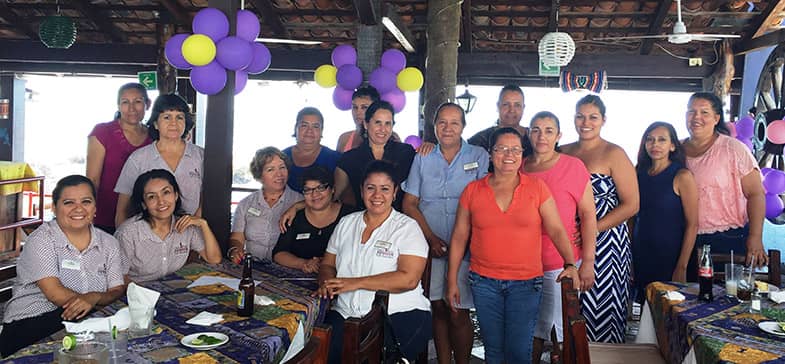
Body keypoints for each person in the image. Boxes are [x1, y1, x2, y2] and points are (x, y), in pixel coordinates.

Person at [447, 127, 580, 363]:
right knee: (494, 351)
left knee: (519, 352)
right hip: (484, 282)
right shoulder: (473, 191)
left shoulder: (537, 188)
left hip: (526, 284)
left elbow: (557, 229)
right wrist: (451, 281)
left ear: (522, 154)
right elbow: (459, 237)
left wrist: (570, 263)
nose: (509, 155)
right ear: (491, 153)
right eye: (502, 149)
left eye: (515, 149)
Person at [317, 160, 432, 364]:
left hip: (399, 313)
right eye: (371, 188)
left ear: (395, 192)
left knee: (374, 358)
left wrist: (355, 282)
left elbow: (408, 279)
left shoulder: (407, 228)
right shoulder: (347, 223)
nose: (377, 195)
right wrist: (327, 283)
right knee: (318, 349)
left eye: (385, 189)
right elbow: (327, 264)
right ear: (362, 190)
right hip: (345, 313)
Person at [0, 176, 126, 357]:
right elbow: (56, 295)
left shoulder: (109, 243)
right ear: (54, 207)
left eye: (86, 201)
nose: (78, 208)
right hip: (31, 323)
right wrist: (97, 304)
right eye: (68, 202)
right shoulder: (41, 240)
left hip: (86, 321)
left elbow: (116, 289)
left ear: (95, 208)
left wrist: (95, 297)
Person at [402, 103, 488, 364]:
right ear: (434, 126)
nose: (448, 128)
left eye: (454, 123)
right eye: (442, 122)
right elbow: (409, 203)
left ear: (463, 126)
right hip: (430, 244)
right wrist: (430, 239)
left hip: (467, 247)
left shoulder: (480, 155)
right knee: (437, 307)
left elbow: (485, 200)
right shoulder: (423, 157)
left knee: (457, 309)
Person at [561, 94, 639, 344]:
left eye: (593, 117)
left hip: (607, 246)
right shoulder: (563, 151)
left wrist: (592, 230)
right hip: (568, 242)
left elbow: (632, 205)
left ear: (603, 120)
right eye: (580, 116)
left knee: (603, 313)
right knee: (569, 311)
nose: (586, 122)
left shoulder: (614, 153)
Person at [522, 111, 597, 363]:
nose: (541, 136)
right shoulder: (519, 166)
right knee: (529, 331)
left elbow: (588, 214)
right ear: (528, 133)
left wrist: (587, 262)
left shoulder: (572, 166)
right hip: (523, 264)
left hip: (560, 264)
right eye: (535, 129)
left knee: (560, 332)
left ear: (558, 136)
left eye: (548, 130)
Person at [682, 92, 767, 275]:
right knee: (681, 299)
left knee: (727, 299)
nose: (696, 117)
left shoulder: (733, 149)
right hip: (682, 238)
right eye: (691, 111)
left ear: (716, 118)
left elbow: (756, 194)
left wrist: (755, 237)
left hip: (727, 238)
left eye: (704, 112)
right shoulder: (675, 151)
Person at [115, 169, 222, 282]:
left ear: (176, 195)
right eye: (152, 197)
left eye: (166, 192)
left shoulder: (186, 225)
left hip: (171, 291)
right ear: (144, 204)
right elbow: (119, 277)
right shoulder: (128, 233)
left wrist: (203, 224)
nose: (161, 202)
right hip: (137, 294)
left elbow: (214, 258)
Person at [114, 94, 203, 226]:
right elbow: (123, 209)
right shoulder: (138, 159)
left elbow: (207, 198)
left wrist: (194, 226)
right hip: (148, 235)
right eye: (167, 117)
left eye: (179, 117)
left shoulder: (201, 156)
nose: (174, 123)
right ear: (155, 123)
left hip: (191, 233)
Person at [633, 122, 698, 300]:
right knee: (643, 310)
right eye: (650, 140)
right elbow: (632, 217)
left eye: (662, 140)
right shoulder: (638, 173)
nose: (655, 145)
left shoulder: (682, 176)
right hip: (641, 252)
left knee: (670, 309)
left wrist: (682, 266)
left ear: (672, 145)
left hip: (671, 255)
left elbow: (693, 224)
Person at [86, 83, 152, 234]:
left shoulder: (154, 136)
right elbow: (92, 179)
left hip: (143, 218)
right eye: (125, 102)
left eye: (137, 101)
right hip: (104, 216)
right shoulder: (103, 132)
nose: (131, 108)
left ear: (147, 104)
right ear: (118, 106)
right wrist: (88, 215)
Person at [272, 166, 353, 272]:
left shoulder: (350, 216)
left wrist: (328, 262)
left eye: (320, 188)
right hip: (298, 281)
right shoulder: (294, 216)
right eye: (308, 190)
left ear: (333, 189)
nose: (314, 194)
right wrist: (304, 263)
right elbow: (279, 253)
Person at [230, 147, 303, 262]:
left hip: (286, 268)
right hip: (253, 265)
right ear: (259, 175)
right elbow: (237, 238)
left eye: (282, 168)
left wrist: (300, 205)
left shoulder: (300, 201)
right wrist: (235, 250)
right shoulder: (246, 203)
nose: (279, 174)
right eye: (270, 170)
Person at [282, 107, 341, 193]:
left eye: (316, 126)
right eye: (304, 125)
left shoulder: (335, 159)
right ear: (296, 128)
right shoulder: (282, 157)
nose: (309, 130)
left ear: (321, 131)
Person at [467, 84, 529, 153]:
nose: (511, 110)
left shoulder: (533, 138)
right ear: (498, 106)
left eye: (517, 105)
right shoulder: (479, 141)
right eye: (506, 104)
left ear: (523, 108)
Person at [336, 86, 400, 152]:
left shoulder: (392, 138)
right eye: (355, 107)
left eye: (364, 107)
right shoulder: (344, 138)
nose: (358, 112)